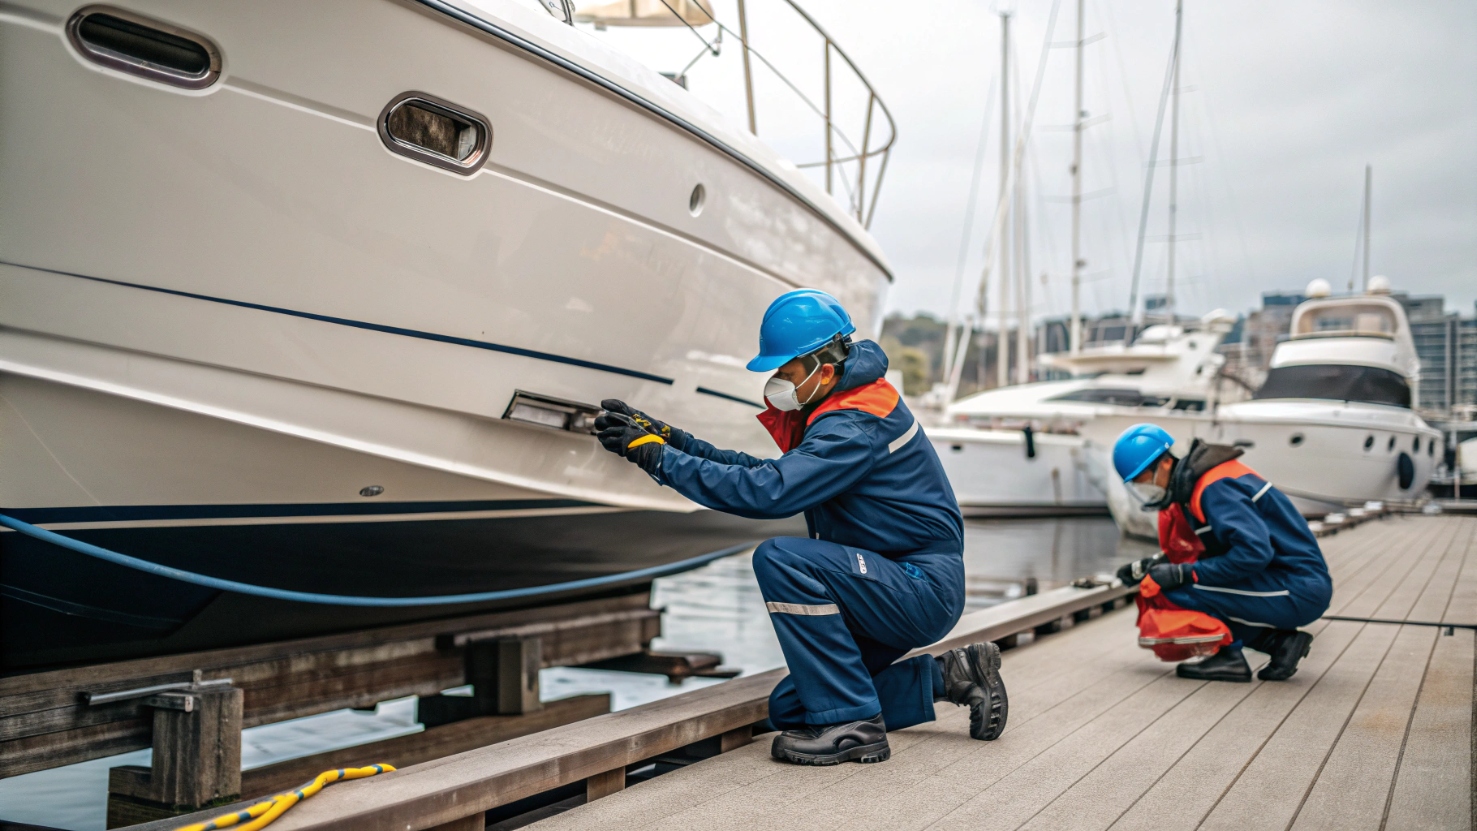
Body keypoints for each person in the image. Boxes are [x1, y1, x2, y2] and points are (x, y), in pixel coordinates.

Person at [594, 289, 1007, 765]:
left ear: (823, 369)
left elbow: (770, 491)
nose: (775, 382)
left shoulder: (853, 426)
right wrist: (674, 441)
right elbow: (760, 471)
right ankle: (952, 675)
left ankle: (856, 729)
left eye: (784, 372)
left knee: (781, 558)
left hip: (916, 587)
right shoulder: (841, 404)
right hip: (883, 580)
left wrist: (657, 457)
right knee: (792, 707)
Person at [1112, 423, 1333, 682]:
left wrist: (1184, 573)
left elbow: (1253, 554)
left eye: (1144, 480)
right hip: (1284, 579)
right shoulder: (1201, 483)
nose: (1146, 489)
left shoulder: (1214, 488)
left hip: (1296, 587)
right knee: (1172, 582)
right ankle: (1280, 644)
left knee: (1176, 590)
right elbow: (1205, 551)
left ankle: (1229, 658)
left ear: (1164, 464)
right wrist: (1149, 567)